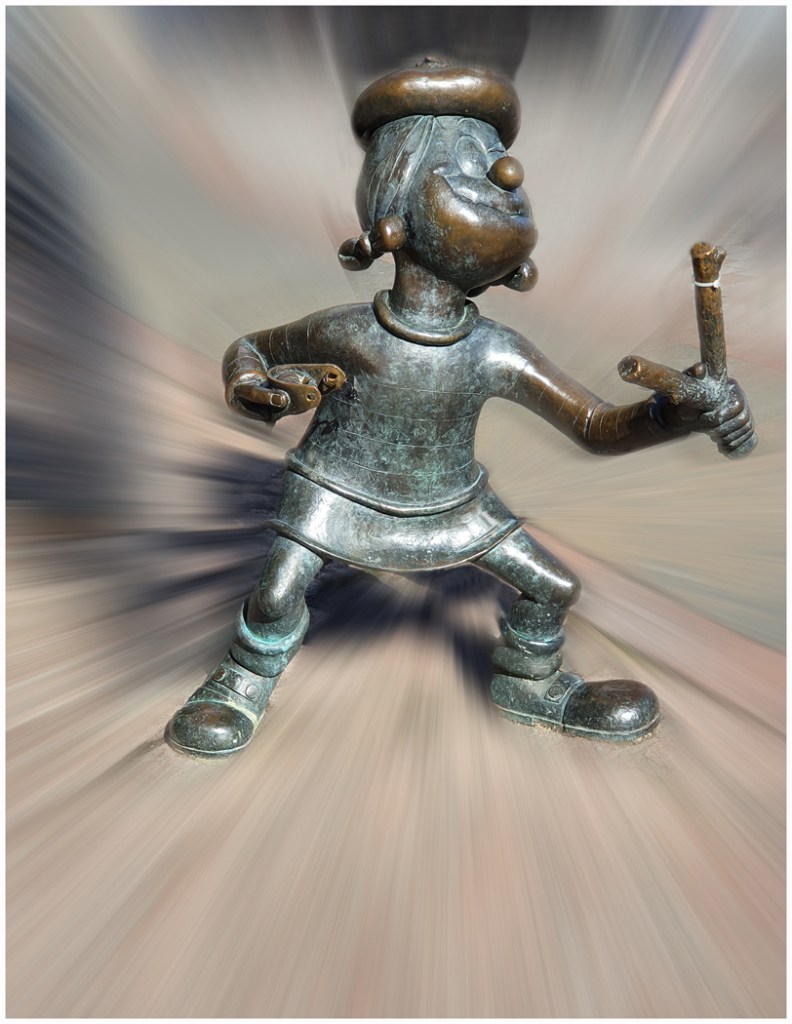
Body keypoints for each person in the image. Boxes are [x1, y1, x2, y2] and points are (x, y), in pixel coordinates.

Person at [167, 59, 755, 756]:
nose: (508, 175)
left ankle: (531, 683)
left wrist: (673, 415)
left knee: (553, 587)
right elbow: (251, 349)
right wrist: (251, 387)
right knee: (274, 594)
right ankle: (244, 677)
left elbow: (595, 425)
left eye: (503, 163)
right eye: (468, 164)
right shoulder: (349, 333)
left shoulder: (495, 350)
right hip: (335, 493)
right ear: (393, 212)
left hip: (455, 504)